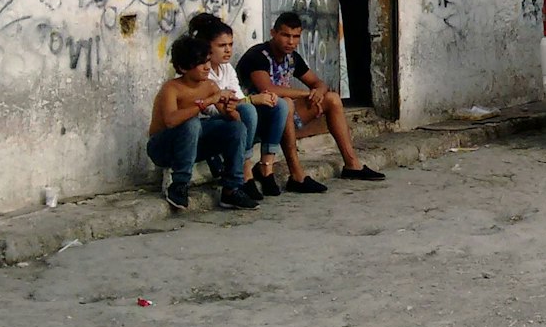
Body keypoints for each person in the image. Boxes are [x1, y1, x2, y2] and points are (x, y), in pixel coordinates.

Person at [237, 12, 385, 190]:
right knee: (287, 103)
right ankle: (297, 175)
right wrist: (305, 94)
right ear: (273, 33)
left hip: (281, 114)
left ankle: (352, 164)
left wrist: (319, 91)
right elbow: (268, 90)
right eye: (285, 35)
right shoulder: (258, 55)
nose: (290, 42)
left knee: (332, 99)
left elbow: (318, 83)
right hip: (257, 119)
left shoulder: (292, 57)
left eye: (295, 37)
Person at [146, 33, 258, 212]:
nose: (207, 67)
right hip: (162, 147)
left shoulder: (210, 86)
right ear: (183, 68)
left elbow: (235, 122)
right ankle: (179, 185)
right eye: (200, 64)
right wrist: (207, 102)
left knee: (236, 128)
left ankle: (232, 188)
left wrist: (230, 110)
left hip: (192, 145)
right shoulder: (171, 88)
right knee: (192, 123)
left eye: (207, 61)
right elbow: (170, 120)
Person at [189, 13, 289, 200]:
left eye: (230, 45)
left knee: (280, 105)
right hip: (212, 123)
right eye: (222, 46)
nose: (228, 50)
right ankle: (245, 170)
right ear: (207, 48)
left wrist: (260, 99)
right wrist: (251, 100)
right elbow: (210, 109)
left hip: (230, 114)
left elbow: (238, 97)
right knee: (248, 109)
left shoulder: (227, 68)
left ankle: (267, 167)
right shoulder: (202, 71)